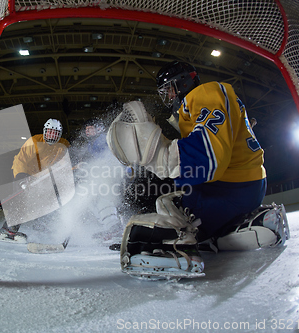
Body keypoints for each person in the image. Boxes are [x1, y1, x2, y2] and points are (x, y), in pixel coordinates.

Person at [106, 61, 289, 279]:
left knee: (167, 204)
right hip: (239, 187)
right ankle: (242, 227)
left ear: (183, 83)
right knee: (173, 198)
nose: (169, 97)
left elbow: (208, 159)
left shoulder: (205, 94)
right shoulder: (193, 110)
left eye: (169, 90)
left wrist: (160, 157)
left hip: (228, 189)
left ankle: (179, 244)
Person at [0, 118, 70, 243]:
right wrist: (21, 178)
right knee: (21, 201)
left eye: (55, 133)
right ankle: (7, 231)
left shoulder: (63, 146)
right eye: (50, 132)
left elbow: (65, 164)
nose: (52, 136)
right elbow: (21, 161)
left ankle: (43, 230)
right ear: (44, 131)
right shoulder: (34, 141)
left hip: (43, 179)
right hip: (26, 175)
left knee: (48, 203)